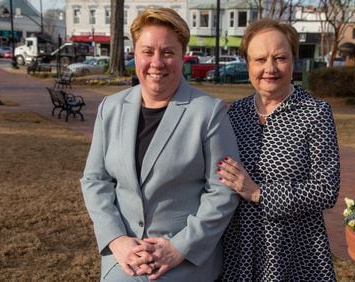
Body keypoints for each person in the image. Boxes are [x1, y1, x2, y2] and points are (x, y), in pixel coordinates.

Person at [80, 8, 240, 281]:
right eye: (147, 51)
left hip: (185, 265)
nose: (157, 62)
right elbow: (95, 180)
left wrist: (180, 247)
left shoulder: (208, 113)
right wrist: (117, 240)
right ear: (135, 53)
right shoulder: (111, 107)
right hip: (124, 262)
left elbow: (222, 192)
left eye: (168, 52)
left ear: (182, 55)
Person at [217, 18, 340, 281]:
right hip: (239, 249)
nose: (270, 68)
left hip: (295, 251)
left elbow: (326, 190)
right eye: (260, 59)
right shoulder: (236, 113)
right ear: (248, 64)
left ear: (293, 60)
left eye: (280, 58)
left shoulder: (315, 113)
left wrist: (259, 193)